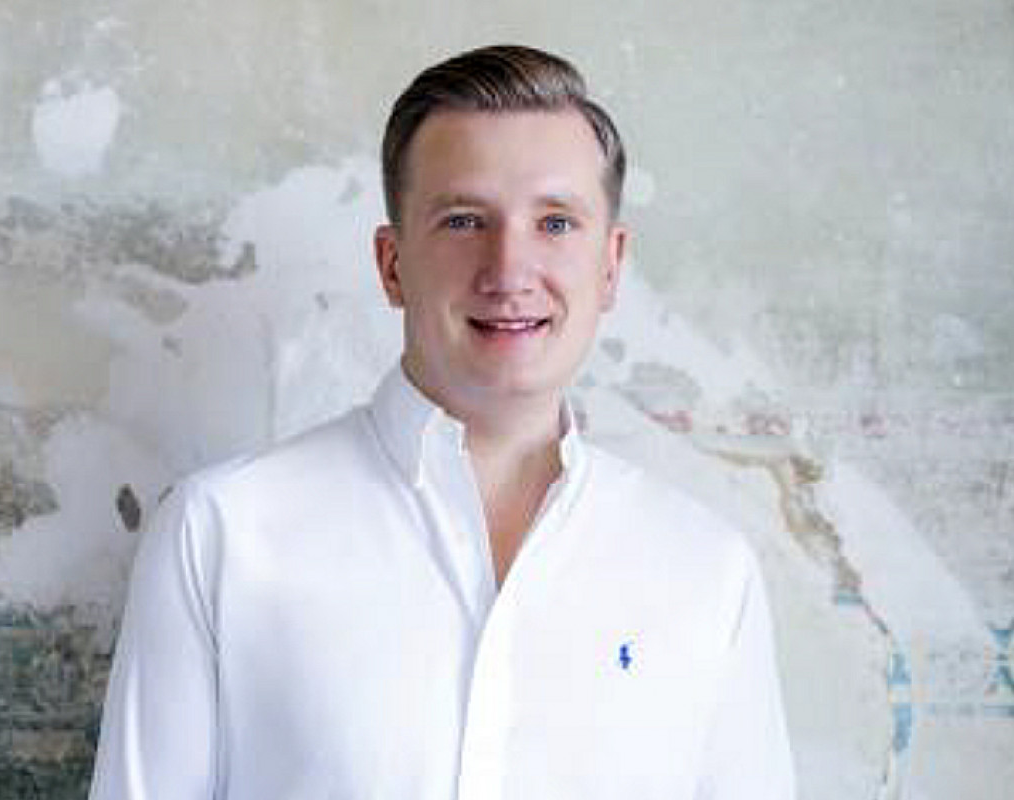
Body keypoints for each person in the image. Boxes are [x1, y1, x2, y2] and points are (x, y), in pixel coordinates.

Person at [89, 44, 794, 799]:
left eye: (555, 222)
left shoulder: (706, 571)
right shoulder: (219, 535)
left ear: (610, 265)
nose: (509, 269)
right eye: (463, 220)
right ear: (392, 265)